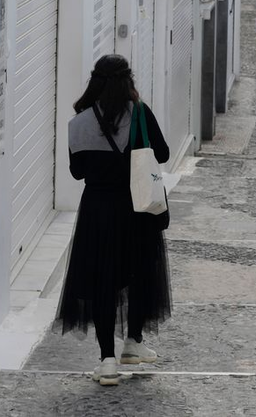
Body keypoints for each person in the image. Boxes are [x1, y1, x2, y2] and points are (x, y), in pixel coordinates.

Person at [57, 55, 172, 386]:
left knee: (101, 281)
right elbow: (162, 154)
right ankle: (133, 342)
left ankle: (108, 360)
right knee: (138, 274)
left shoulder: (78, 123)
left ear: (94, 81)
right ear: (128, 81)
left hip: (97, 210)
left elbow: (78, 172)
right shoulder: (140, 115)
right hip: (137, 208)